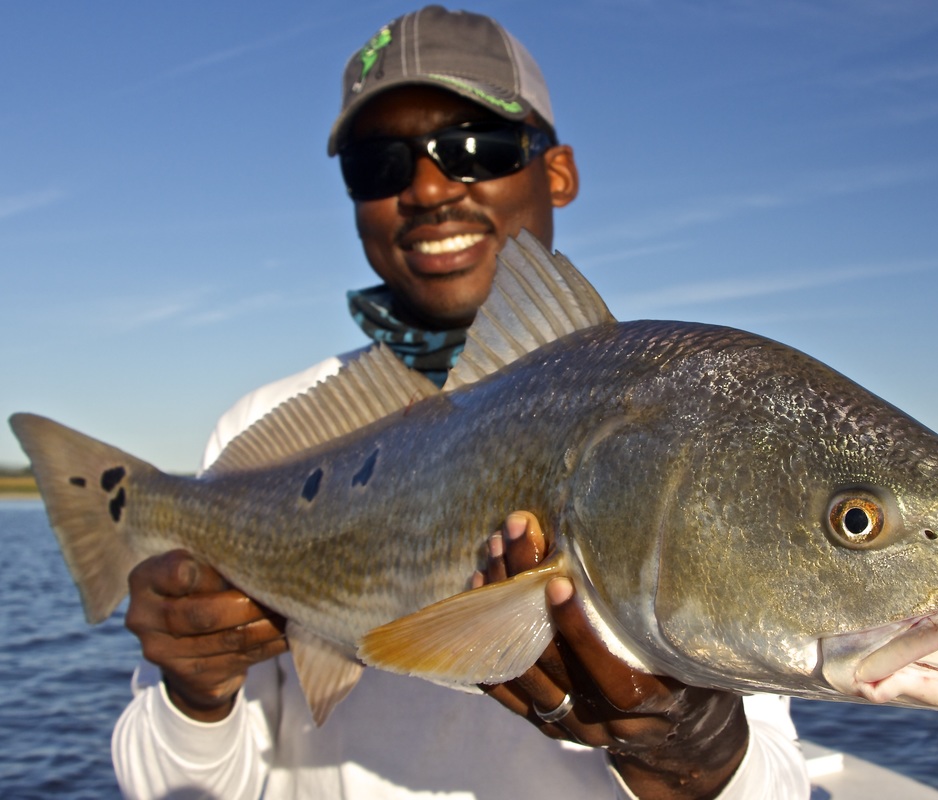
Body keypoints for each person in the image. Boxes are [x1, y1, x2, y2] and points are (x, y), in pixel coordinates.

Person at [112, 6, 811, 799]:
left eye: (476, 148)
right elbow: (161, 782)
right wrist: (193, 692)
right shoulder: (264, 431)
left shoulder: (672, 428)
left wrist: (697, 758)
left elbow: (777, 785)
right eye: (379, 165)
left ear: (558, 173)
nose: (431, 188)